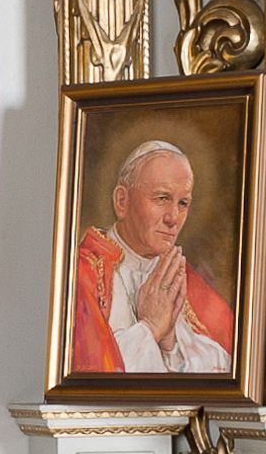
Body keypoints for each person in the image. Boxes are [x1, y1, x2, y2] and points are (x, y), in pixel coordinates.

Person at [72, 139, 234, 375]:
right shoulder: (83, 273)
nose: (173, 218)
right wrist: (150, 328)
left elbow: (228, 370)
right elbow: (90, 375)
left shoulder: (184, 280)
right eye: (162, 198)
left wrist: (171, 345)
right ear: (122, 201)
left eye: (183, 203)